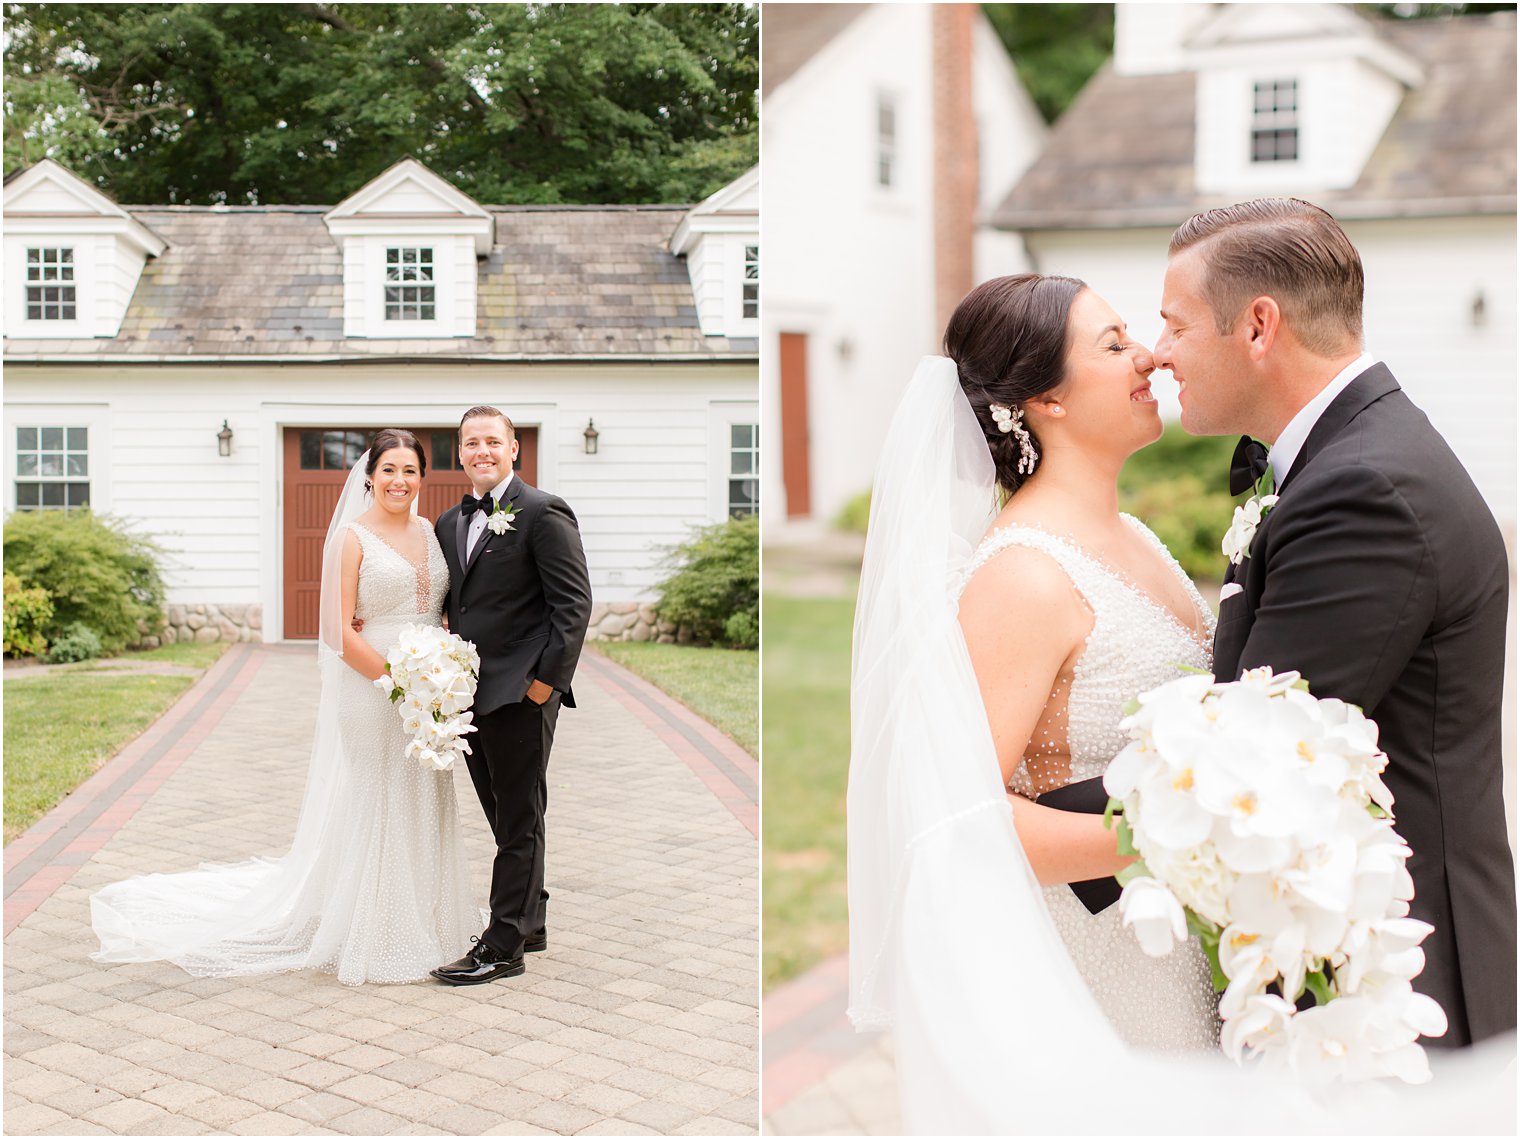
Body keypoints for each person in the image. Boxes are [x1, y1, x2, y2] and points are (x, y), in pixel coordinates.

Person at [845, 274, 1515, 1132]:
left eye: (1140, 334)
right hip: (1100, 967)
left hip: (1178, 958)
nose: (1151, 357)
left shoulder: (1137, 539)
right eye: (1115, 342)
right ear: (1045, 396)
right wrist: (1182, 842)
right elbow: (959, 819)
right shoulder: (1020, 575)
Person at [1153, 198, 1517, 1048]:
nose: (1159, 352)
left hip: (1393, 990)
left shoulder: (1366, 491)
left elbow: (1255, 754)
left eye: (1173, 324)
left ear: (1257, 326)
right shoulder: (1354, 457)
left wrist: (1015, 823)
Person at [91, 430, 481, 985]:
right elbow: (336, 631)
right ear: (369, 476)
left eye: (410, 472)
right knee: (381, 797)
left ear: (423, 478)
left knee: (426, 794)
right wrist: (399, 683)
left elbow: (439, 608)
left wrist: (441, 672)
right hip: (373, 688)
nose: (400, 482)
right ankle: (376, 928)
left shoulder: (429, 530)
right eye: (388, 470)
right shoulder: (351, 538)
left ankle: (433, 917)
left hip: (429, 690)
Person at [429, 406, 592, 986]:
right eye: (471, 443)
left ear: (514, 447)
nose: (482, 451)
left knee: (519, 815)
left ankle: (503, 945)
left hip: (524, 690)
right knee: (503, 814)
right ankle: (532, 918)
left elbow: (573, 605)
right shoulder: (450, 522)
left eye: (492, 441)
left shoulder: (544, 512)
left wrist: (545, 685)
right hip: (470, 694)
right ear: (461, 452)